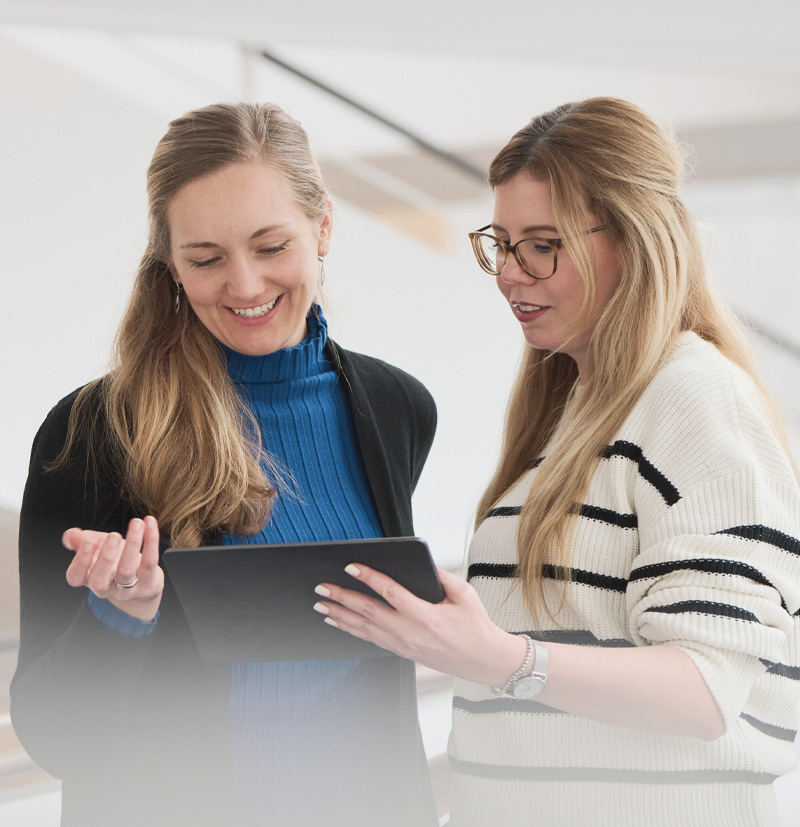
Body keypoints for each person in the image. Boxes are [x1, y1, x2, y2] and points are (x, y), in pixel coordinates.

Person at [313, 97, 800, 826]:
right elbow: (546, 724)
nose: (510, 274)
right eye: (501, 244)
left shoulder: (694, 398)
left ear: (635, 240)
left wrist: (498, 657)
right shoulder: (568, 412)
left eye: (541, 245)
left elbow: (705, 688)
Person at [11, 102, 438, 827]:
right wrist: (119, 615)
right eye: (206, 259)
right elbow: (54, 734)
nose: (244, 286)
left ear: (323, 227)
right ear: (170, 264)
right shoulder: (94, 432)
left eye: (271, 246)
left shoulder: (397, 408)